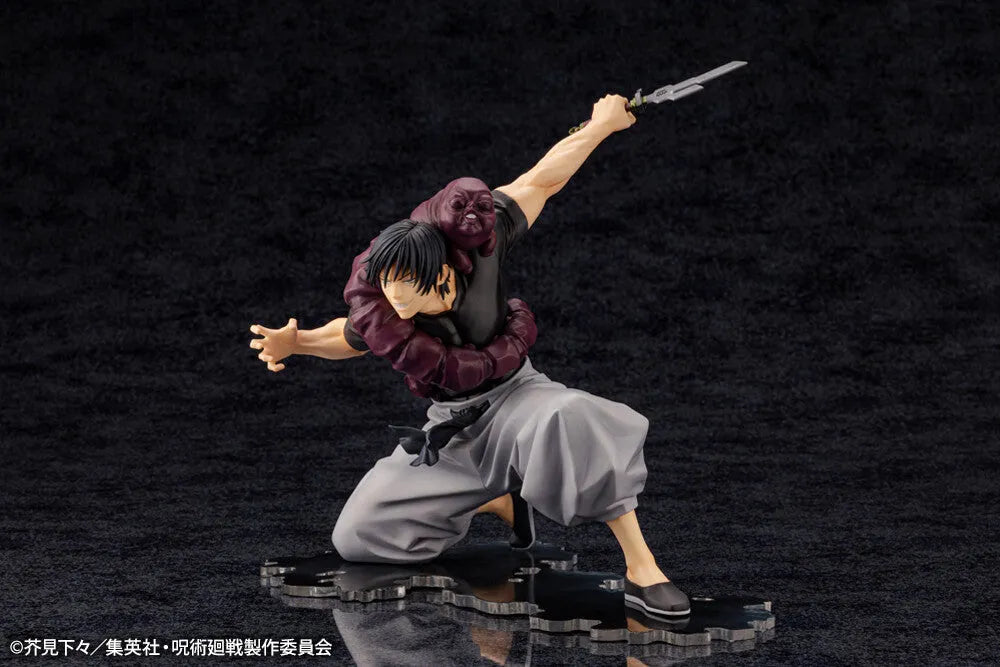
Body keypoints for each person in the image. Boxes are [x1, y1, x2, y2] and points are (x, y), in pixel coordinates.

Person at [250, 95, 690, 618]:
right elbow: (348, 335)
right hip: (452, 428)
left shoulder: (484, 240)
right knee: (358, 535)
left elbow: (541, 179)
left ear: (442, 271)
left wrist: (600, 126)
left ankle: (643, 567)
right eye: (388, 286)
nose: (396, 300)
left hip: (518, 396)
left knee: (571, 415)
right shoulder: (386, 301)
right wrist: (297, 342)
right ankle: (496, 498)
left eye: (407, 286)